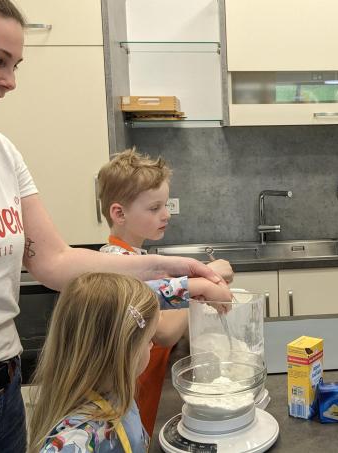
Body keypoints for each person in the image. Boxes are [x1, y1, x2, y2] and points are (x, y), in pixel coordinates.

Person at [0, 1, 221, 450]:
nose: (10, 81)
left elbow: (56, 260)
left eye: (15, 65)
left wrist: (172, 268)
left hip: (3, 399)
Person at [97, 148, 233, 434]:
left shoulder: (135, 257)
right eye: (154, 208)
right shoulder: (117, 263)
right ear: (119, 213)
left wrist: (196, 284)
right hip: (130, 393)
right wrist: (201, 286)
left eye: (166, 205)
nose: (166, 214)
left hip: (146, 384)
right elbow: (164, 331)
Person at [28, 273, 159, 452]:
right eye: (149, 339)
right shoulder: (77, 438)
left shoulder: (115, 392)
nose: (152, 345)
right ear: (124, 353)